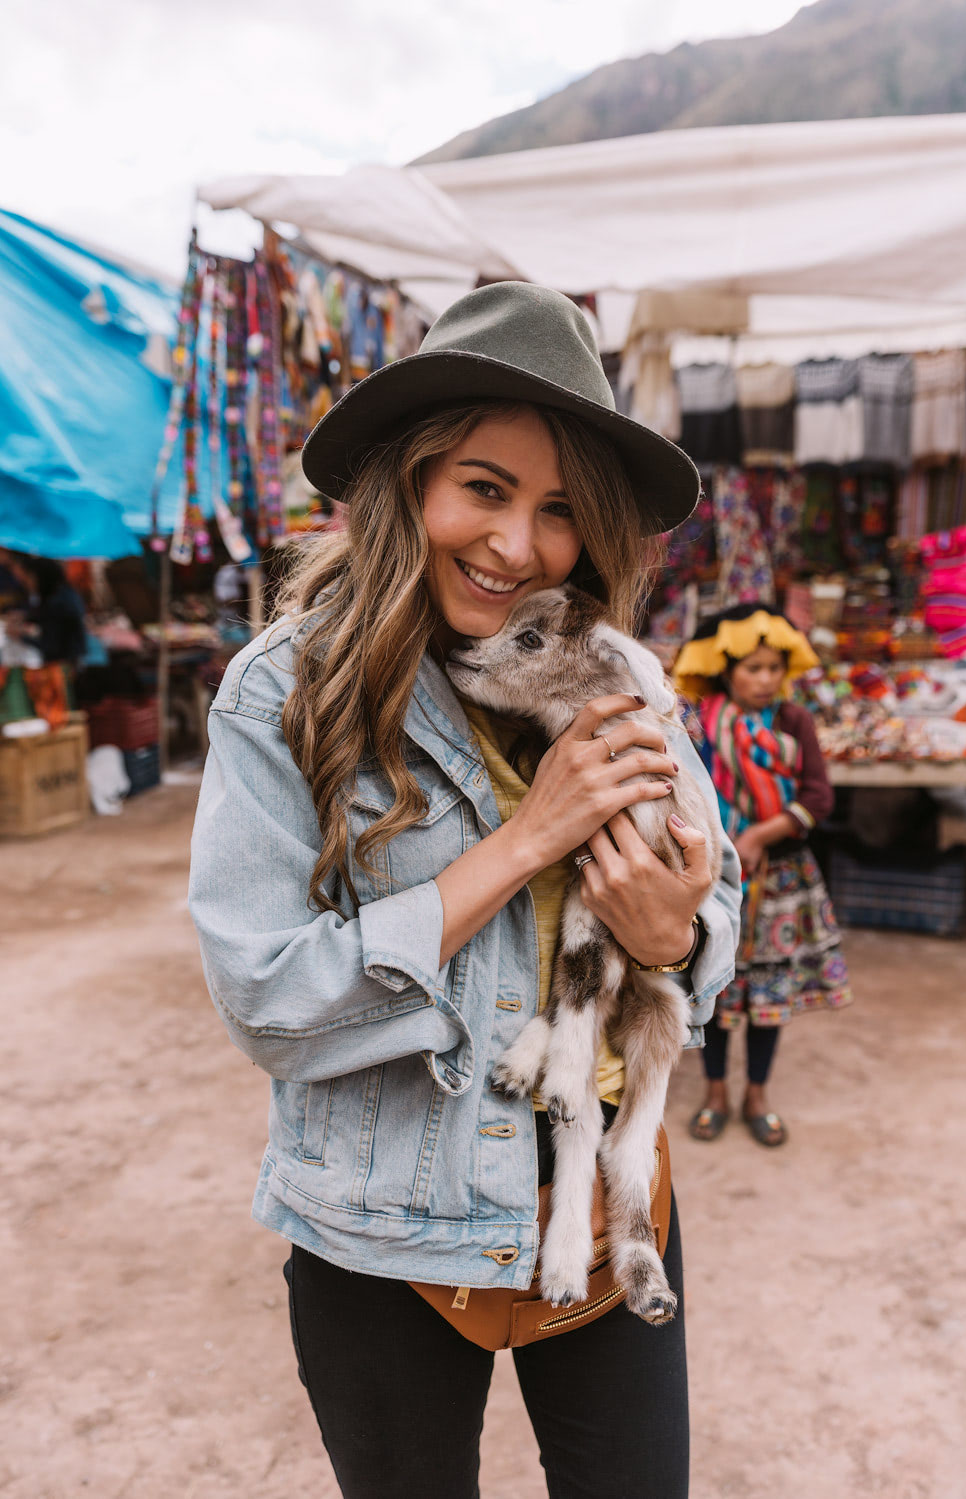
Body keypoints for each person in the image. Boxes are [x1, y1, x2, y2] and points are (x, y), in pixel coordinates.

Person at [189, 282, 741, 1499]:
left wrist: (677, 929)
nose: (515, 545)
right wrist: (521, 841)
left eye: (557, 511)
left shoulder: (614, 665)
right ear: (407, 483)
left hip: (600, 1211)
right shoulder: (284, 694)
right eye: (482, 489)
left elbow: (718, 896)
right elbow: (265, 996)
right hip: (384, 1238)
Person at [672, 603, 852, 1148]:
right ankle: (716, 1094)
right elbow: (687, 787)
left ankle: (756, 1094)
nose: (766, 679)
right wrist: (723, 844)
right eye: (753, 668)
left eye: (774, 668)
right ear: (728, 671)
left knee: (769, 996)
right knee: (719, 989)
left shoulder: (794, 721)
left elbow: (819, 796)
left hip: (781, 882)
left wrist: (758, 835)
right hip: (717, 877)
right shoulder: (700, 723)